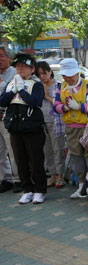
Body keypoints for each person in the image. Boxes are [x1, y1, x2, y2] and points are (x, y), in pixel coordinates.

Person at [0, 53, 46, 204]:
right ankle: (28, 190)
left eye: (24, 66)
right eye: (18, 66)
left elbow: (35, 101)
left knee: (35, 160)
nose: (20, 69)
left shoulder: (36, 84)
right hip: (15, 127)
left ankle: (39, 190)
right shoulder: (12, 82)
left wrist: (22, 90)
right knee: (20, 160)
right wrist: (14, 90)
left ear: (32, 69)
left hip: (32, 128)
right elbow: (3, 101)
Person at [53, 58, 88, 199]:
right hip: (71, 128)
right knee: (76, 157)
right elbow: (55, 106)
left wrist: (79, 107)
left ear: (77, 73)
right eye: (65, 75)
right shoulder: (61, 87)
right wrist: (65, 107)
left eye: (70, 75)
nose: (67, 78)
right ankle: (81, 186)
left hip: (87, 127)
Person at [36, 61, 65, 188]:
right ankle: (52, 174)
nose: (42, 76)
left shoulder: (58, 85)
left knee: (58, 148)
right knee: (46, 149)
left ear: (50, 72)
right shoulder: (37, 86)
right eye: (39, 74)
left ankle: (60, 175)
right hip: (42, 122)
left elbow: (59, 103)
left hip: (56, 121)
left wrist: (46, 95)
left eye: (44, 73)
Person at [0, 45, 21, 193]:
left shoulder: (14, 74)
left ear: (9, 58)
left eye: (1, 56)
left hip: (8, 116)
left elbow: (9, 93)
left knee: (13, 149)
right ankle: (5, 179)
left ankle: (18, 179)